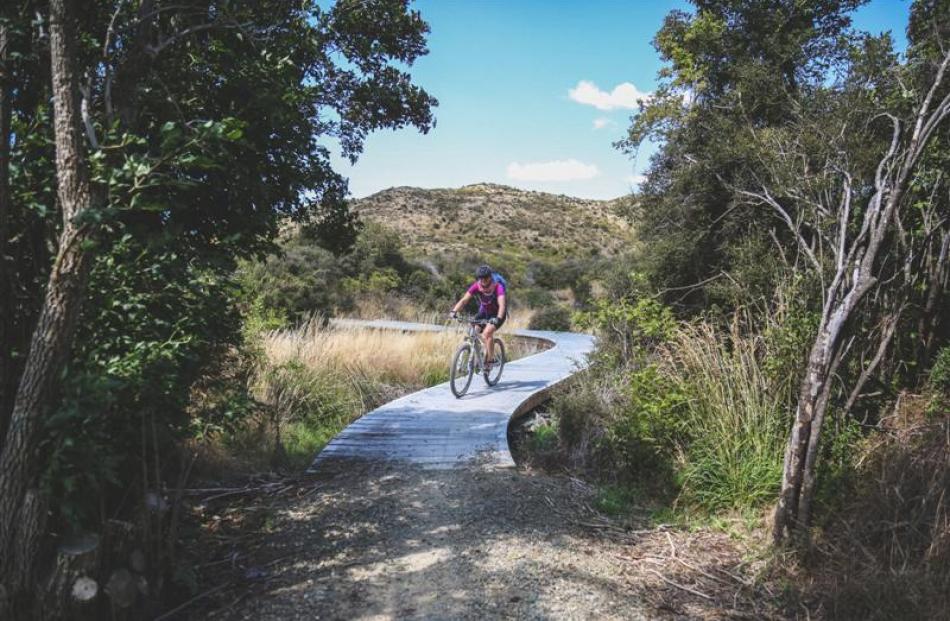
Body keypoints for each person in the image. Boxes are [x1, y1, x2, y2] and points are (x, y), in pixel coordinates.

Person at [450, 265, 507, 366]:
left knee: (487, 333)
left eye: (485, 278)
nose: (483, 280)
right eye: (481, 278)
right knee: (472, 332)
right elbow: (464, 300)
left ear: (490, 277)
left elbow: (502, 305)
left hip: (497, 314)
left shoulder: (498, 287)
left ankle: (490, 360)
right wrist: (454, 311)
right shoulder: (477, 285)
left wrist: (498, 318)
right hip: (484, 312)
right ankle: (479, 352)